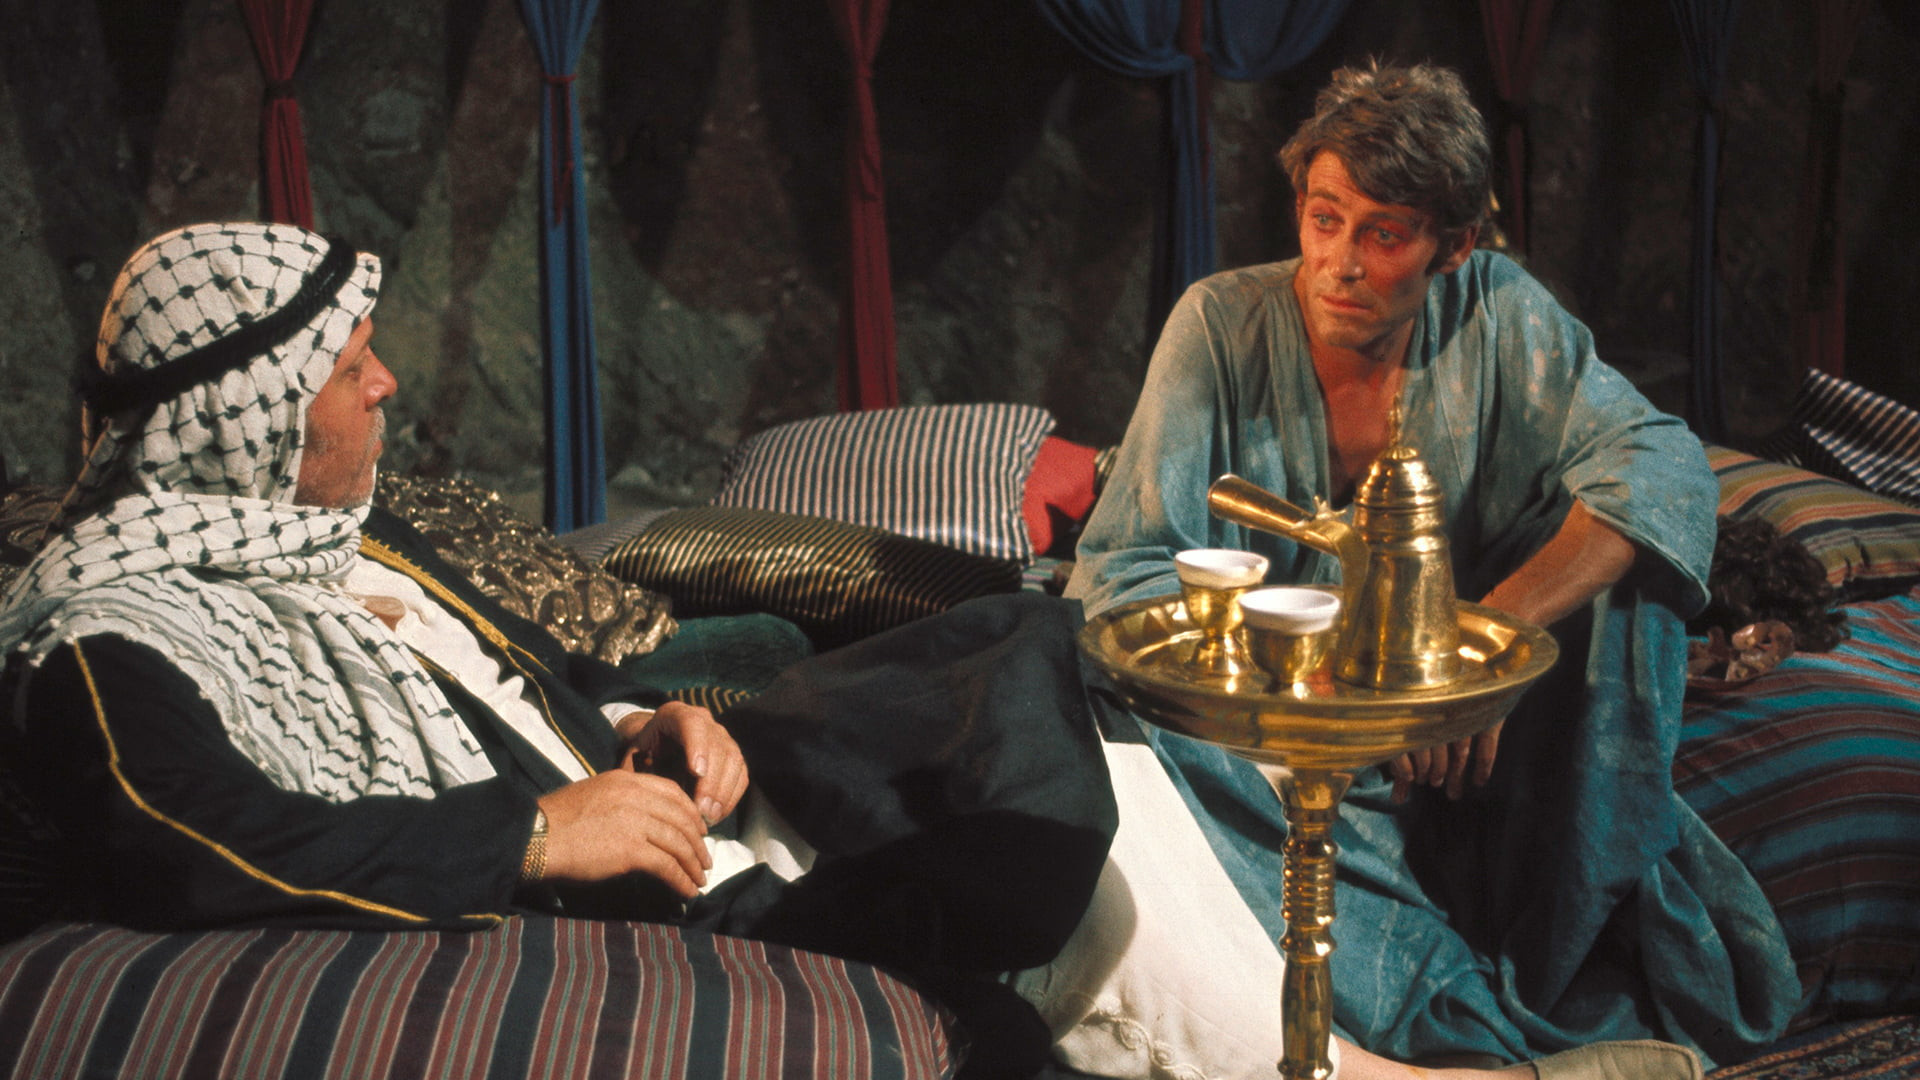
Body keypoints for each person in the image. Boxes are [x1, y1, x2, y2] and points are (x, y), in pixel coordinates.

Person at [0, 220, 1714, 1080]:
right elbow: (193, 836)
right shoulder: (116, 634)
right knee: (1043, 805)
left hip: (678, 789)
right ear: (241, 418)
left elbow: (519, 688)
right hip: (645, 885)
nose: (385, 383)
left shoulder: (349, 541)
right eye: (344, 366)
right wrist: (534, 832)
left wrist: (643, 718)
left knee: (1034, 662)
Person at [1067, 60, 1802, 1071]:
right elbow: (1125, 567)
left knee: (1629, 579)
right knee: (1102, 694)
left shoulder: (1497, 313)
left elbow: (1660, 465)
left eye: (1384, 235)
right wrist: (1336, 695)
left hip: (1474, 753)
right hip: (1273, 736)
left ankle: (1551, 951)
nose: (1339, 263)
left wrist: (1467, 652)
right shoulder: (1220, 325)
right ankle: (1438, 1023)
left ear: (1452, 246)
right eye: (1325, 219)